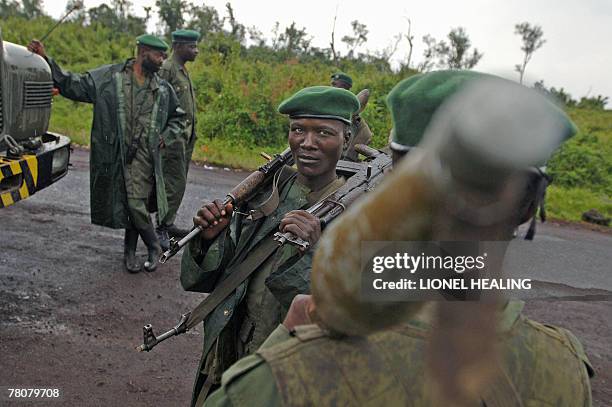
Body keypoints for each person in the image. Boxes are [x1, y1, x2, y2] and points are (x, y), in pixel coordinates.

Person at [203, 73, 593, 407]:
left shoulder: (288, 372)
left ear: (397, 186)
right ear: (529, 209)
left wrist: (285, 342)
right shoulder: (565, 369)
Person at [180, 86, 359, 405]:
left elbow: (343, 322)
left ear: (346, 140)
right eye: (298, 130)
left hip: (289, 377)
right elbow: (206, 280)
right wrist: (210, 240)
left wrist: (315, 254)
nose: (307, 143)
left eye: (323, 132)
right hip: (229, 359)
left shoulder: (357, 217)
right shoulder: (265, 193)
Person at [27, 36, 185, 273]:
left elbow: (179, 118)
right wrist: (46, 60)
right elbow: (74, 84)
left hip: (145, 159)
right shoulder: (111, 78)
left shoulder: (162, 88)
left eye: (164, 56)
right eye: (158, 55)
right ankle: (132, 252)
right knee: (131, 202)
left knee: (135, 202)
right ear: (142, 51)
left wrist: (165, 137)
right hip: (116, 156)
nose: (163, 61)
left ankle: (151, 247)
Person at [157, 29, 201, 249]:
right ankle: (161, 228)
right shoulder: (167, 69)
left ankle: (168, 222)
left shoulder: (181, 70)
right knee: (172, 185)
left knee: (177, 183)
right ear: (179, 46)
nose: (196, 51)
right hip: (172, 139)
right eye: (192, 47)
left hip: (184, 139)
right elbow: (156, 102)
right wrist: (162, 135)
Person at [330, 72, 372, 162]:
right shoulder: (329, 106)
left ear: (345, 87)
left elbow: (366, 93)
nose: (331, 88)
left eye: (334, 84)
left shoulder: (358, 123)